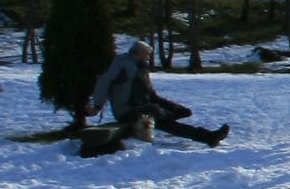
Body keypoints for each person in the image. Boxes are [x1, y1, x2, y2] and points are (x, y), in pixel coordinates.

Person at [80, 41, 229, 157]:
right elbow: (104, 82)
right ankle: (209, 137)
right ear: (138, 53)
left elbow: (151, 94)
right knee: (157, 112)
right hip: (126, 110)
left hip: (143, 106)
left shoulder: (141, 68)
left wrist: (173, 108)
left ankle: (209, 137)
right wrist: (97, 105)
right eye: (147, 54)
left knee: (178, 114)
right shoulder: (123, 64)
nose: (149, 57)